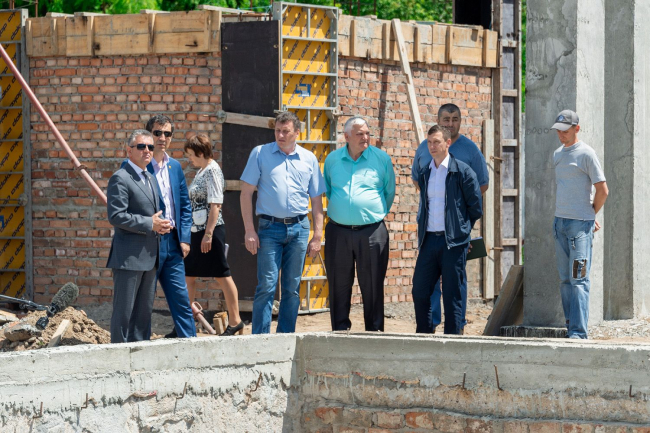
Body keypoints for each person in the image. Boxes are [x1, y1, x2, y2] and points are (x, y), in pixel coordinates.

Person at [240, 111, 325, 334]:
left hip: (299, 229)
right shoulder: (260, 153)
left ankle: (285, 337)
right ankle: (260, 339)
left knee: (292, 288)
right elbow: (245, 193)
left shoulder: (309, 159)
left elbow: (317, 201)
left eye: (285, 131)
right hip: (269, 228)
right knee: (266, 286)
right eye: (277, 130)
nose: (280, 135)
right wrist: (249, 230)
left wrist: (317, 235)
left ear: (297, 133)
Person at [411, 104, 489, 333]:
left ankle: (453, 339)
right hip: (428, 240)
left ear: (447, 144)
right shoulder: (426, 172)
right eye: (429, 142)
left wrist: (461, 229)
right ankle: (424, 335)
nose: (432, 146)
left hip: (453, 242)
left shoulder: (462, 170)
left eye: (437, 142)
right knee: (420, 290)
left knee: (453, 293)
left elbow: (475, 207)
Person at [122, 115, 196, 339]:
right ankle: (139, 346)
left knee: (182, 299)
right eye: (157, 133)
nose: (162, 138)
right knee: (144, 303)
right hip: (147, 243)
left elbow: (184, 206)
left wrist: (185, 239)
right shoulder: (135, 167)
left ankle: (191, 345)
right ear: (149, 135)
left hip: (173, 244)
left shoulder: (175, 167)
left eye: (167, 133)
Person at [323, 116, 395, 332]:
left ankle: (374, 334)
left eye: (367, 133)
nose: (365, 137)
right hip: (338, 232)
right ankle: (340, 332)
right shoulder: (332, 160)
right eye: (359, 134)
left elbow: (389, 192)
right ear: (346, 137)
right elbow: (329, 190)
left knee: (373, 286)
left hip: (372, 232)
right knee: (338, 285)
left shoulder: (381, 159)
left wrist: (369, 213)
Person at [107, 130, 170, 343]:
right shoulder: (120, 178)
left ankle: (140, 352)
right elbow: (116, 216)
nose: (147, 151)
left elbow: (152, 214)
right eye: (141, 146)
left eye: (150, 147)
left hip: (150, 256)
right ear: (129, 151)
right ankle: (118, 354)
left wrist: (161, 225)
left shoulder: (150, 178)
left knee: (143, 316)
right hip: (129, 257)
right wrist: (149, 223)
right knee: (124, 314)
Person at [551, 110, 608, 339]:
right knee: (565, 280)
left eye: (565, 131)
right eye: (558, 131)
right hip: (560, 224)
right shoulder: (557, 155)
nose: (561, 135)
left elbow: (603, 190)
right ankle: (570, 326)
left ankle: (578, 333)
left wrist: (589, 215)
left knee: (579, 280)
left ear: (577, 128)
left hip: (579, 229)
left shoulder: (587, 154)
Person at [183, 134, 244, 336]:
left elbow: (216, 205)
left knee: (222, 275)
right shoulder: (201, 171)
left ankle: (235, 321)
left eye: (191, 154)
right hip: (196, 231)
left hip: (210, 231)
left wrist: (208, 234)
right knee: (188, 275)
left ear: (200, 153)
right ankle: (185, 322)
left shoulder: (213, 171)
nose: (189, 159)